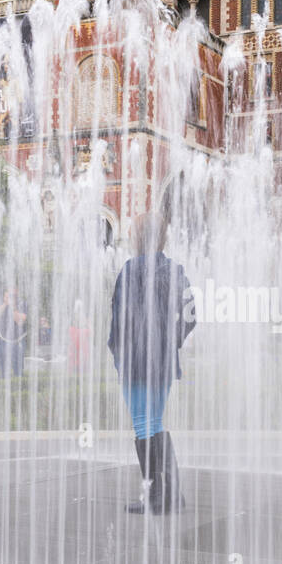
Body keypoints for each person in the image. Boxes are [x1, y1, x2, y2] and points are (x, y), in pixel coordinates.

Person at [108, 210, 195, 514]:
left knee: (144, 425)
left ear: (139, 236)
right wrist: (171, 342)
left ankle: (157, 495)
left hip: (137, 362)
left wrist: (120, 357)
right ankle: (170, 493)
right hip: (163, 362)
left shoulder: (131, 271)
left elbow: (118, 323)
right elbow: (191, 316)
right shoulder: (173, 269)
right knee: (155, 422)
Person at [0, 288, 28, 378]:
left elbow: (20, 321)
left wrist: (13, 307)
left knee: (18, 369)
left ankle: (18, 385)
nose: (11, 297)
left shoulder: (23, 304)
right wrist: (5, 304)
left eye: (13, 295)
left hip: (18, 340)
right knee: (2, 368)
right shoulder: (1, 305)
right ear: (4, 295)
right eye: (9, 295)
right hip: (3, 339)